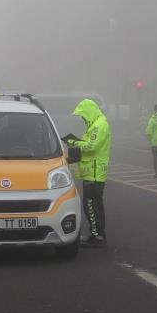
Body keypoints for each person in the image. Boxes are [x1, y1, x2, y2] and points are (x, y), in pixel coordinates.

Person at [65, 99, 110, 248]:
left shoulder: (99, 125)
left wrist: (73, 142)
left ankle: (97, 235)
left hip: (94, 172)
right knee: (95, 204)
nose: (83, 119)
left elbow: (91, 146)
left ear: (89, 112)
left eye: (83, 116)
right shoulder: (95, 124)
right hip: (91, 171)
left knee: (90, 204)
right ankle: (98, 234)